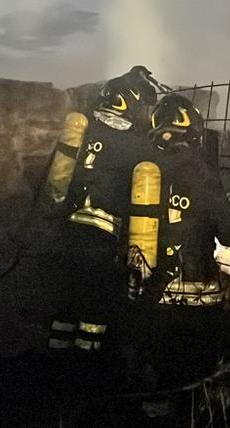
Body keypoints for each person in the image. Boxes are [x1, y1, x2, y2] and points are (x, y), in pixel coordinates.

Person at [128, 94, 230, 396]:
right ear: (192, 129)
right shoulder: (200, 171)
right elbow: (228, 233)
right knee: (193, 375)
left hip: (153, 291)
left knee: (159, 373)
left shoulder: (144, 169)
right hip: (197, 299)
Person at [43, 66, 167, 356]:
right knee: (95, 305)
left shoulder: (86, 129)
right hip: (103, 237)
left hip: (68, 227)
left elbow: (59, 180)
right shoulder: (138, 145)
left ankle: (53, 363)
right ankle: (87, 365)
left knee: (65, 301)